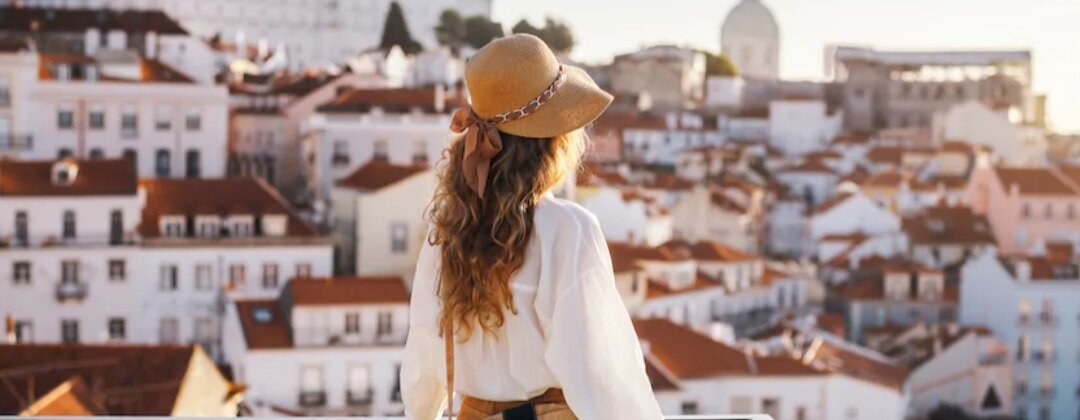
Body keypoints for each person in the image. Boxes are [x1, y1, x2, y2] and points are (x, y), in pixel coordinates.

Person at [401, 34, 663, 420]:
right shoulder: (568, 230)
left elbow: (423, 358)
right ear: (553, 142)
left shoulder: (446, 233)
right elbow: (603, 374)